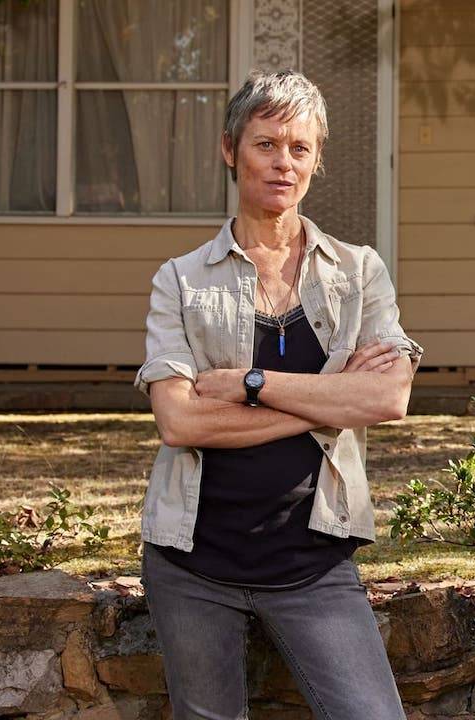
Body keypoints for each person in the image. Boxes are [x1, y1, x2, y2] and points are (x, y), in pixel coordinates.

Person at [133, 70, 421, 719]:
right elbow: (178, 422)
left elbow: (388, 399)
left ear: (316, 160)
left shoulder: (359, 272)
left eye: (299, 148)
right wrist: (331, 398)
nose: (283, 162)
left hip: (314, 565)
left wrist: (252, 385)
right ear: (230, 150)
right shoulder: (181, 281)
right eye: (265, 144)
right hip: (191, 566)